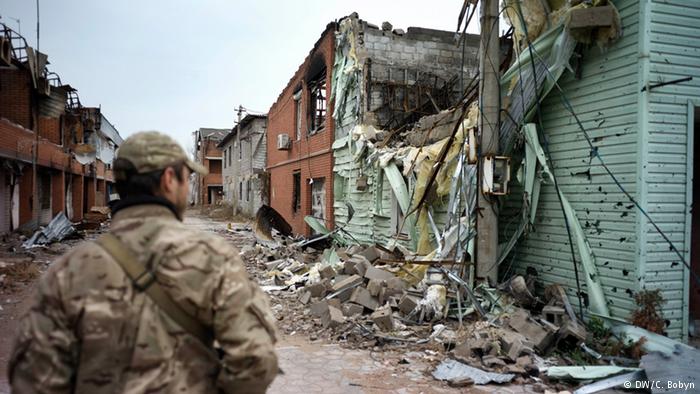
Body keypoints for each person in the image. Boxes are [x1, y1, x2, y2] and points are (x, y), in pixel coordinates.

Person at [9, 131, 279, 393]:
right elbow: (256, 361)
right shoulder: (213, 258)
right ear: (169, 179)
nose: (188, 189)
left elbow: (33, 378)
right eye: (187, 178)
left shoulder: (69, 270)